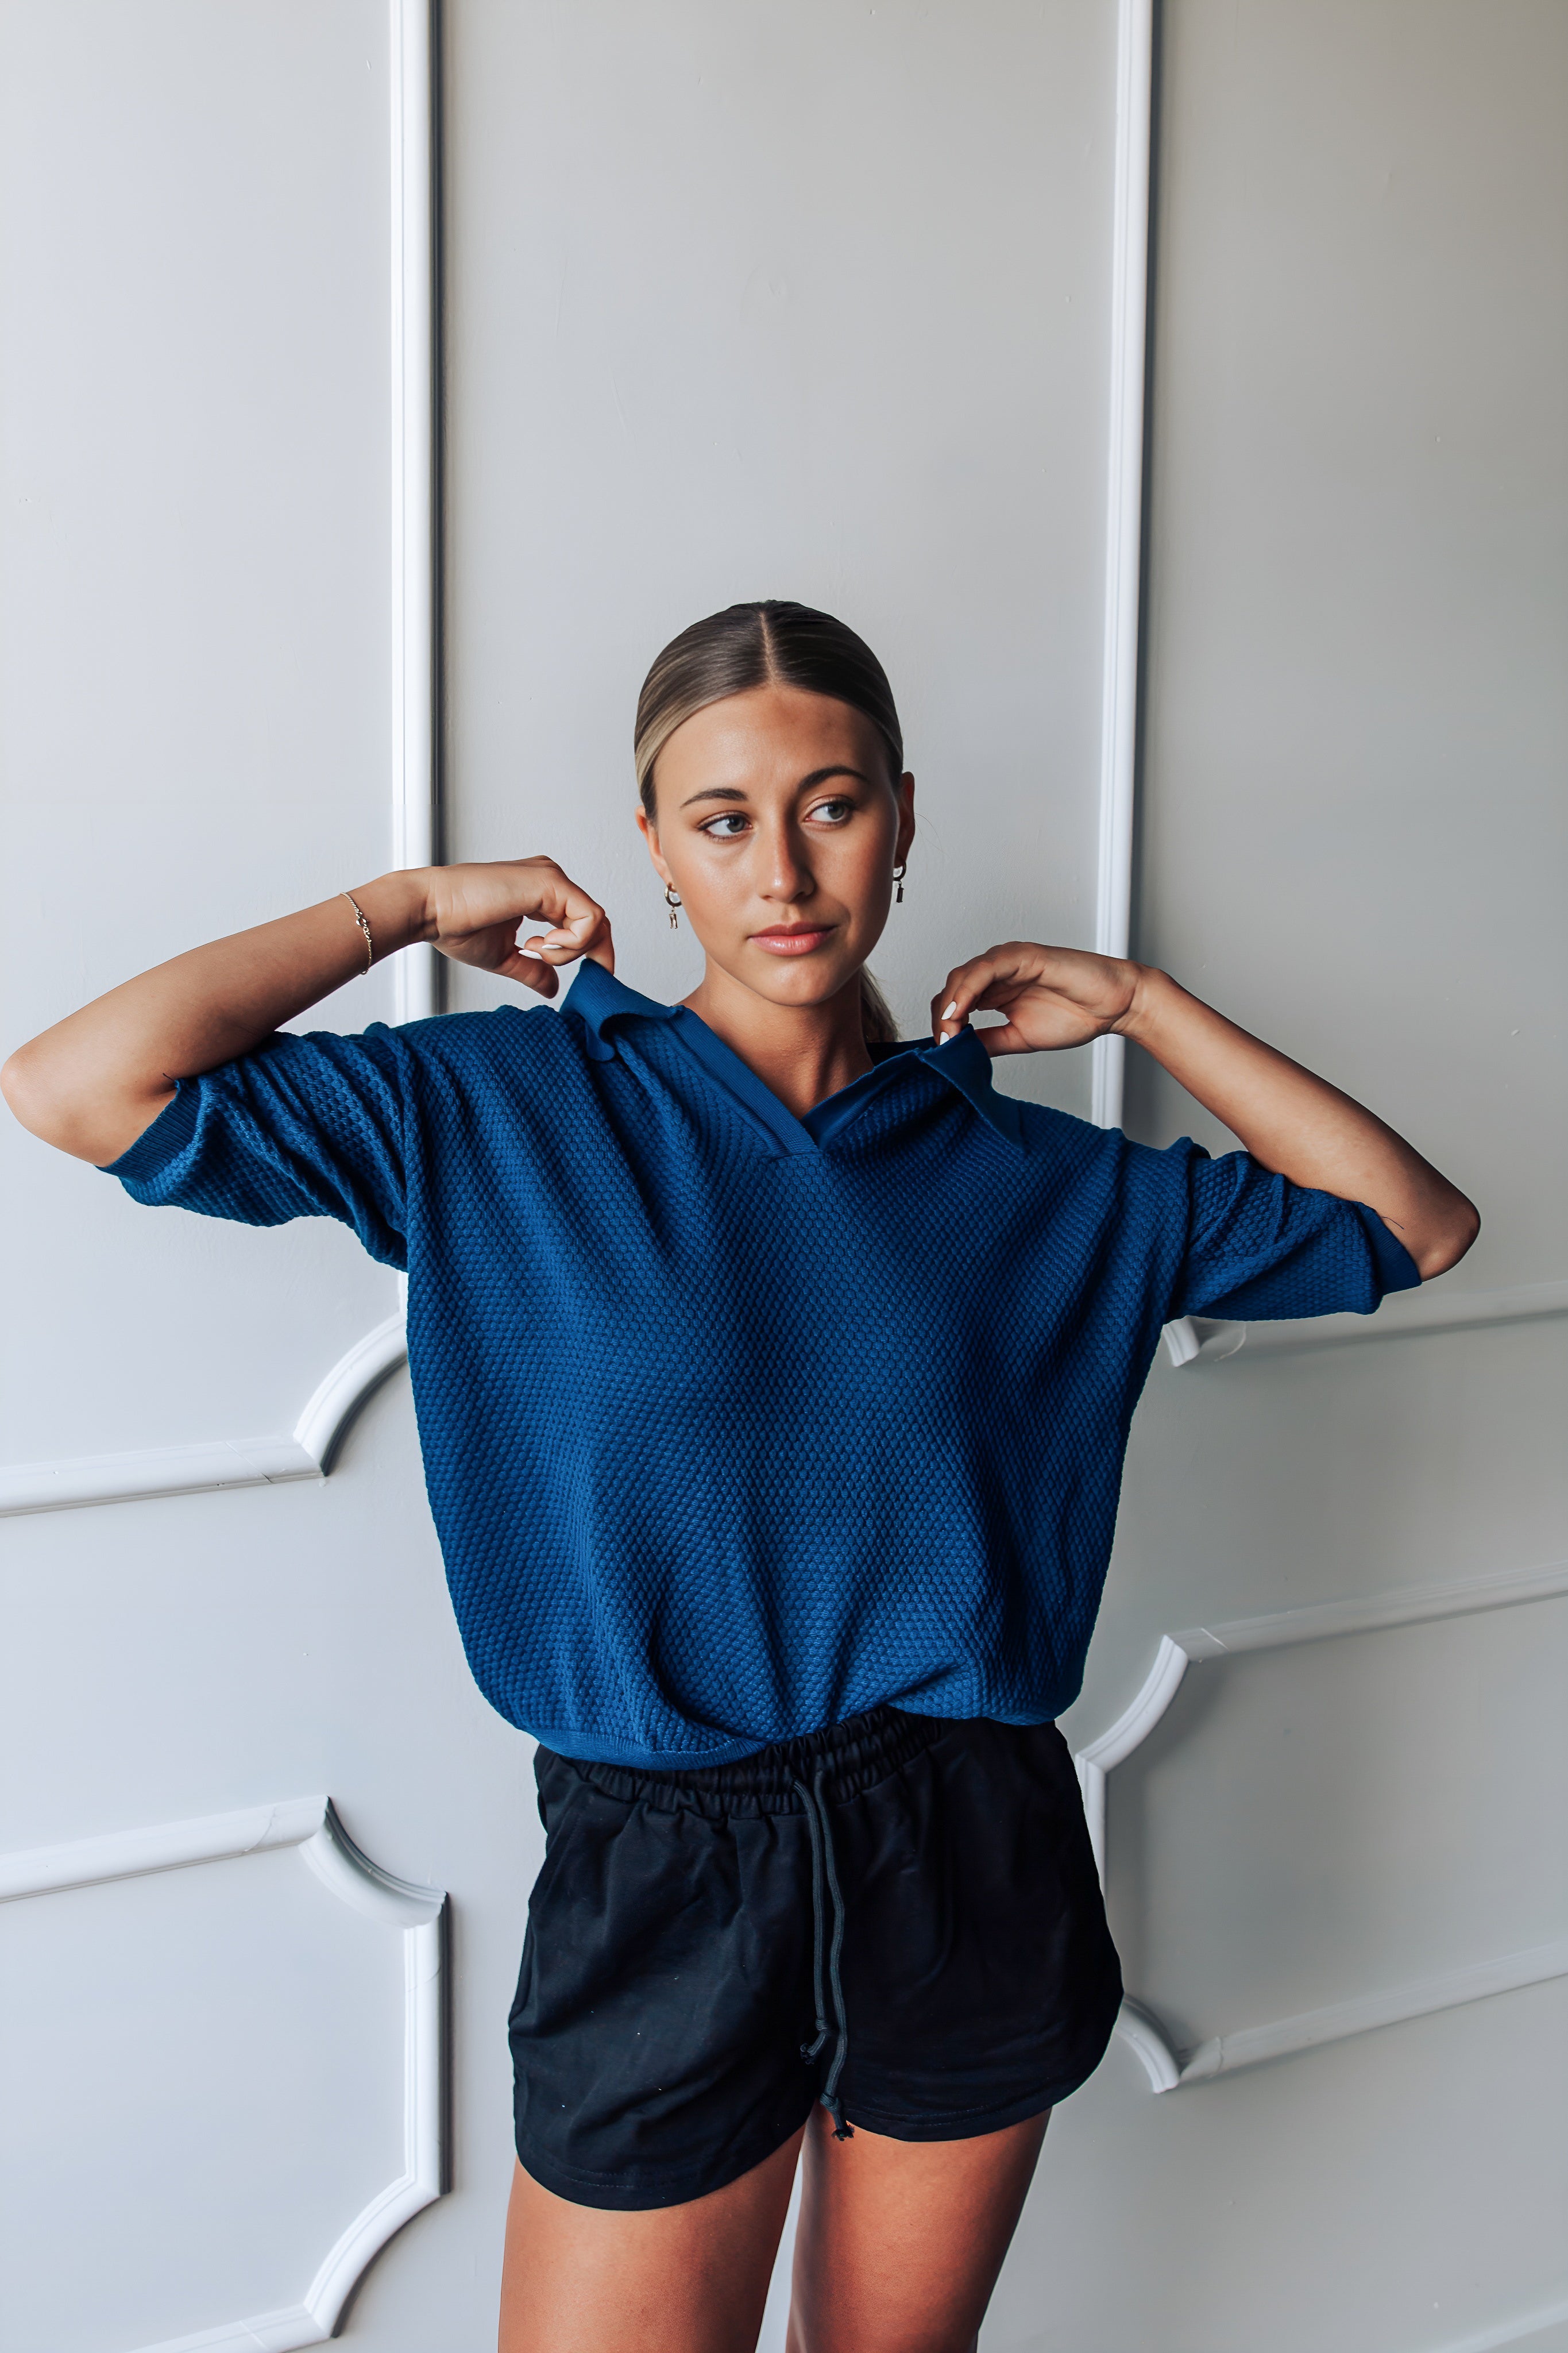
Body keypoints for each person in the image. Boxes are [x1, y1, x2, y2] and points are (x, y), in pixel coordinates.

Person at [1, 600, 1478, 2353]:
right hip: (657, 1865)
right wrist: (404, 905)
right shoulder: (492, 1112)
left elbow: (1412, 1226)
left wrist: (1142, 1005)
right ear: (652, 848)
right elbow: (77, 1086)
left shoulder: (1037, 1178)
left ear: (902, 820)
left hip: (969, 1844)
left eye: (831, 806)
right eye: (721, 821)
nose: (780, 872)